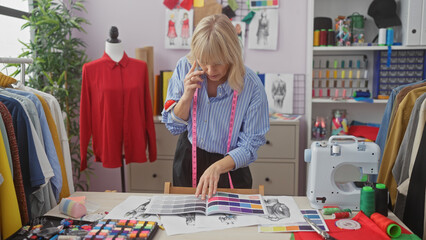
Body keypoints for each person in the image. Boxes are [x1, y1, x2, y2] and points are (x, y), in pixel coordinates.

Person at [161, 14, 269, 200]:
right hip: (189, 159)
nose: (210, 71)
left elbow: (250, 146)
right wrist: (187, 95)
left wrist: (217, 167)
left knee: (231, 225)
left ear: (232, 55)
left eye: (218, 62)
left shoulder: (251, 87)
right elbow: (174, 126)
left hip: (230, 165)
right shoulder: (184, 68)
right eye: (204, 61)